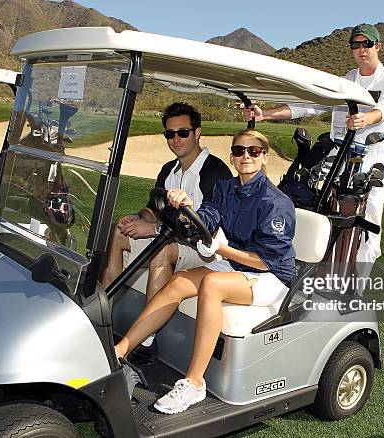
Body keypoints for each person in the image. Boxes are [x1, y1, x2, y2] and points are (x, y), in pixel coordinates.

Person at [115, 129, 296, 414]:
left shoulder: (276, 202)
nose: (245, 156)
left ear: (265, 156)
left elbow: (264, 261)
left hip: (271, 277)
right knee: (178, 282)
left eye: (254, 151)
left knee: (211, 283)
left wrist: (220, 250)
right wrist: (187, 206)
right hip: (235, 266)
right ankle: (120, 351)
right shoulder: (226, 188)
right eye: (239, 151)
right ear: (232, 156)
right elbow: (209, 216)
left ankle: (194, 382)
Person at [246, 23, 384, 265]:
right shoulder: (345, 81)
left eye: (367, 44)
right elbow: (310, 105)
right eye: (356, 44)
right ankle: (323, 283)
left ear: (378, 46)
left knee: (367, 231)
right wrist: (265, 114)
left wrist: (365, 119)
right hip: (337, 166)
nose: (362, 49)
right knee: (328, 223)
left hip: (371, 167)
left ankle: (355, 290)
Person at [101, 102, 232, 347]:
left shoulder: (215, 172)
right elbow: (153, 209)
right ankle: (104, 314)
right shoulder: (169, 170)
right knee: (120, 231)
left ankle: (146, 339)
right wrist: (138, 219)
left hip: (209, 253)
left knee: (162, 250)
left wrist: (154, 229)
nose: (176, 139)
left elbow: (205, 228)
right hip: (174, 240)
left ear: (197, 133)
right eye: (170, 134)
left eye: (183, 132)